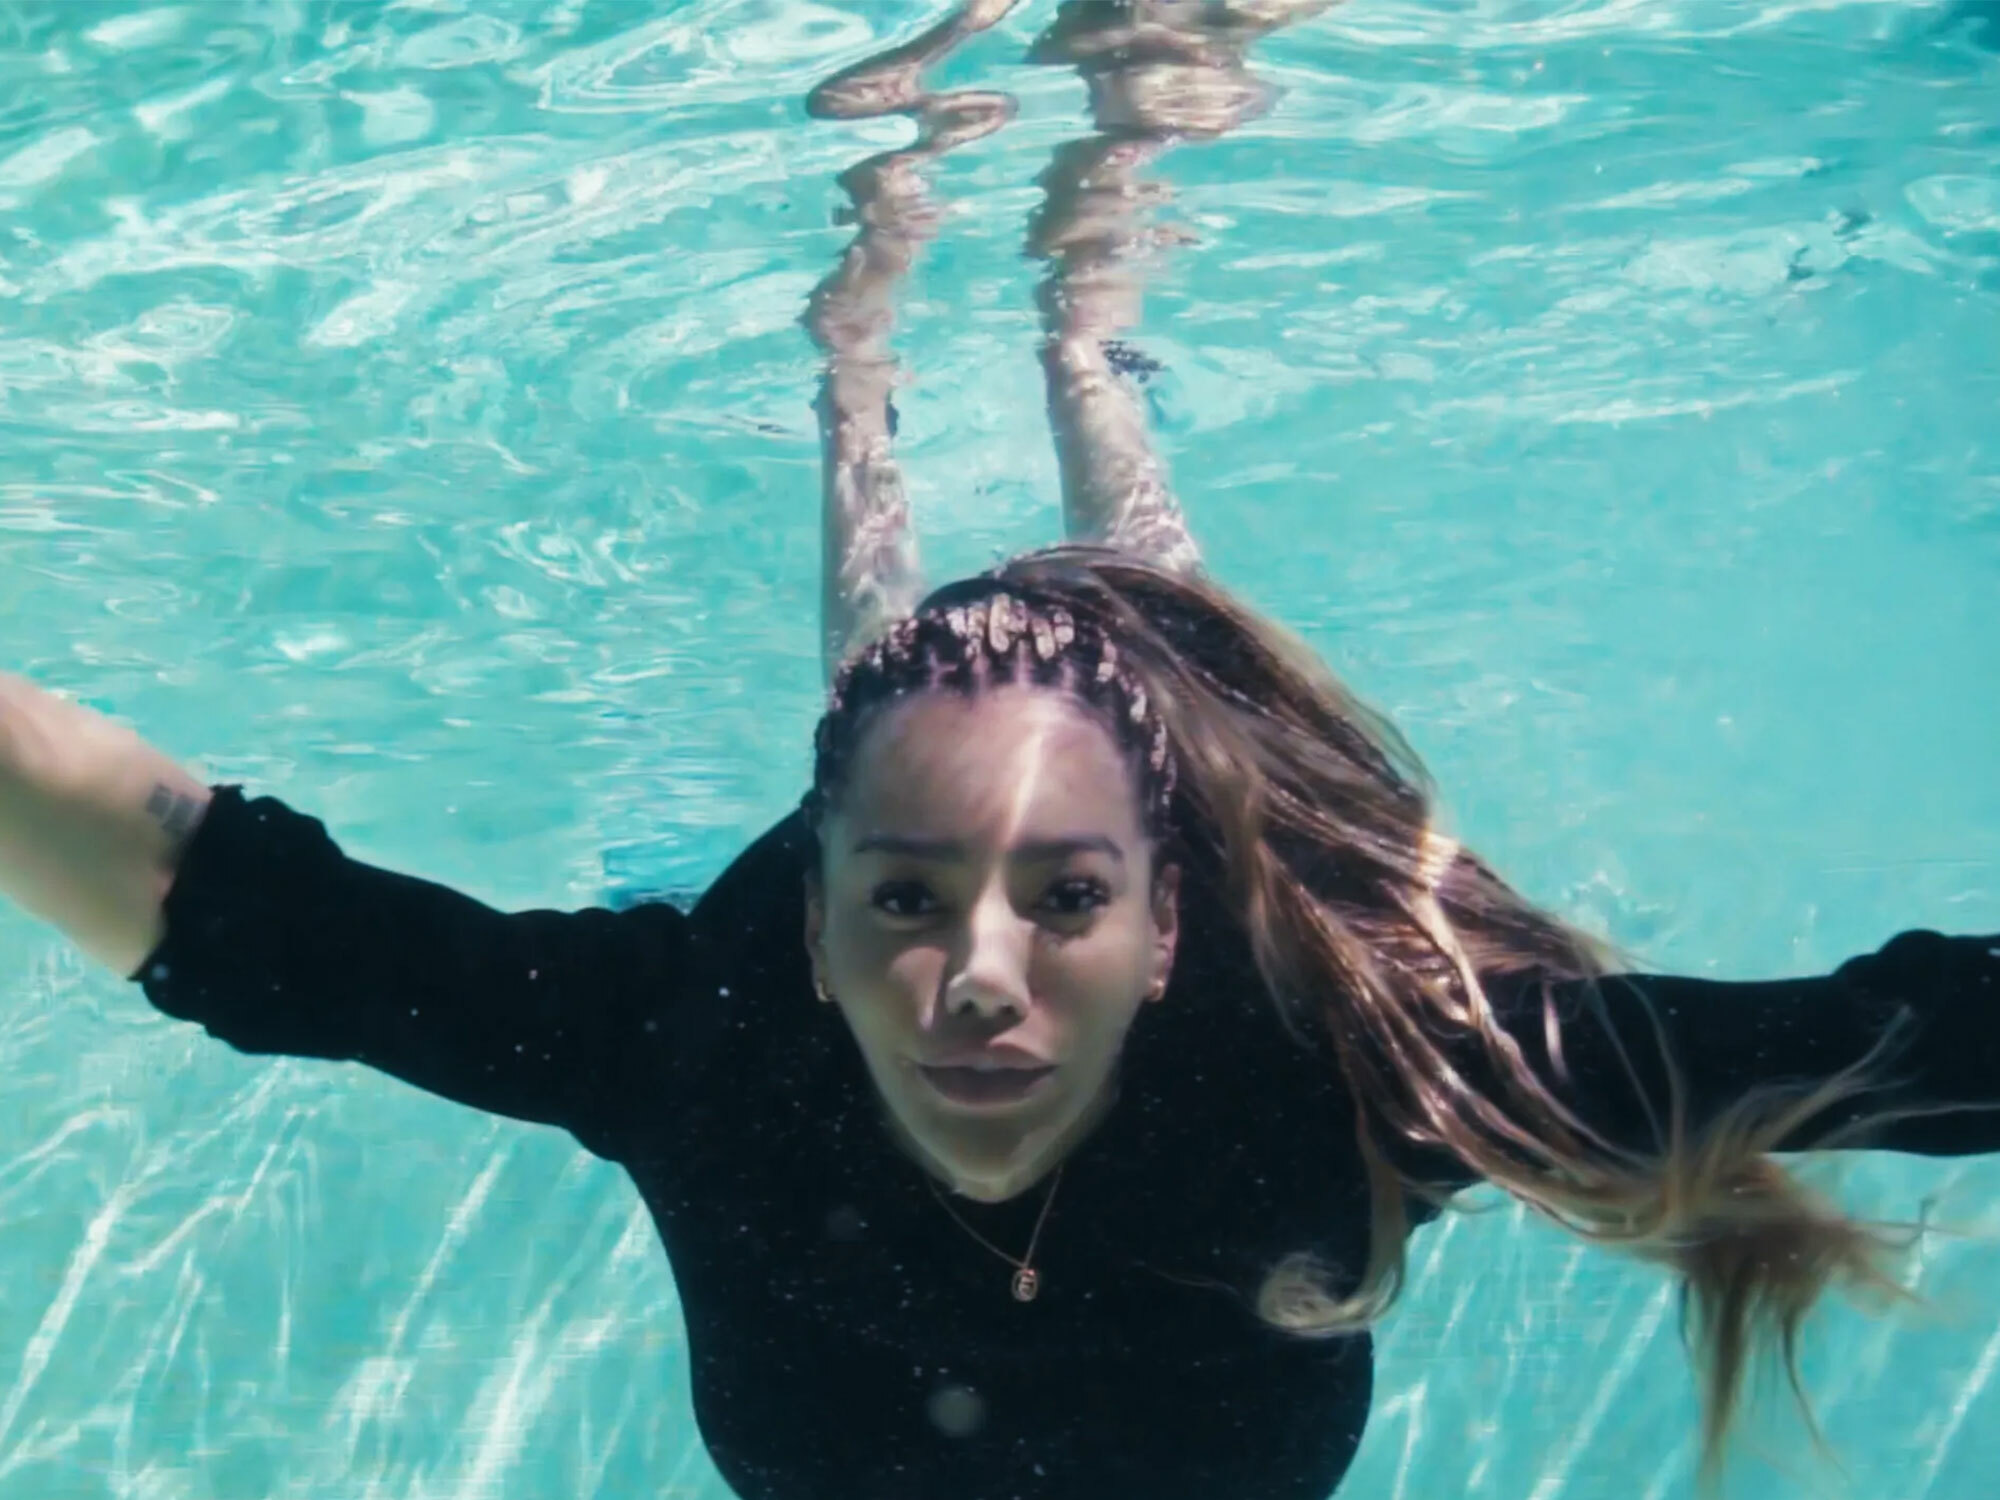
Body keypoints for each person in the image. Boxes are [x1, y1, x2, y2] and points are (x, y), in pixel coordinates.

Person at [0, 5, 1996, 1500]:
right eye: (899, 906)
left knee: (1124, 614)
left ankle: (1080, 326)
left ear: (1164, 928)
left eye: (1067, 901)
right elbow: (249, 914)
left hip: (1092, 797)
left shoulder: (1365, 1055)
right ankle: (855, 368)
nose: (976, 977)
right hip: (923, 805)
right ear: (811, 931)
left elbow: (1910, 1037)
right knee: (903, 690)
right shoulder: (706, 1037)